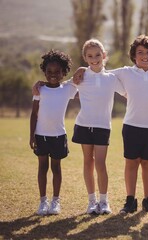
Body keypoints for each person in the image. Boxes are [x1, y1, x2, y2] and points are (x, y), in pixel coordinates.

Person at [73, 35, 148, 214]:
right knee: (131, 163)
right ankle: (130, 201)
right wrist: (82, 68)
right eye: (140, 52)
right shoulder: (124, 72)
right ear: (134, 55)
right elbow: (100, 71)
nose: (144, 56)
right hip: (131, 126)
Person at [71, 39, 125, 215]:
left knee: (100, 164)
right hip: (83, 125)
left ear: (104, 56)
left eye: (97, 55)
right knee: (88, 162)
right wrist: (41, 85)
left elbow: (129, 92)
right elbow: (61, 87)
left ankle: (104, 201)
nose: (94, 59)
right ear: (85, 58)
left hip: (103, 127)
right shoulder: (80, 77)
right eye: (90, 56)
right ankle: (92, 201)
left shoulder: (111, 78)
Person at [30, 49, 77, 215]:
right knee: (42, 167)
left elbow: (81, 77)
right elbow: (34, 114)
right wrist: (32, 135)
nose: (53, 75)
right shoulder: (39, 90)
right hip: (41, 136)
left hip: (58, 136)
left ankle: (55, 201)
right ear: (44, 72)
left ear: (64, 72)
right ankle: (43, 201)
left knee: (56, 168)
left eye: (58, 72)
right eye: (49, 72)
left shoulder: (67, 89)